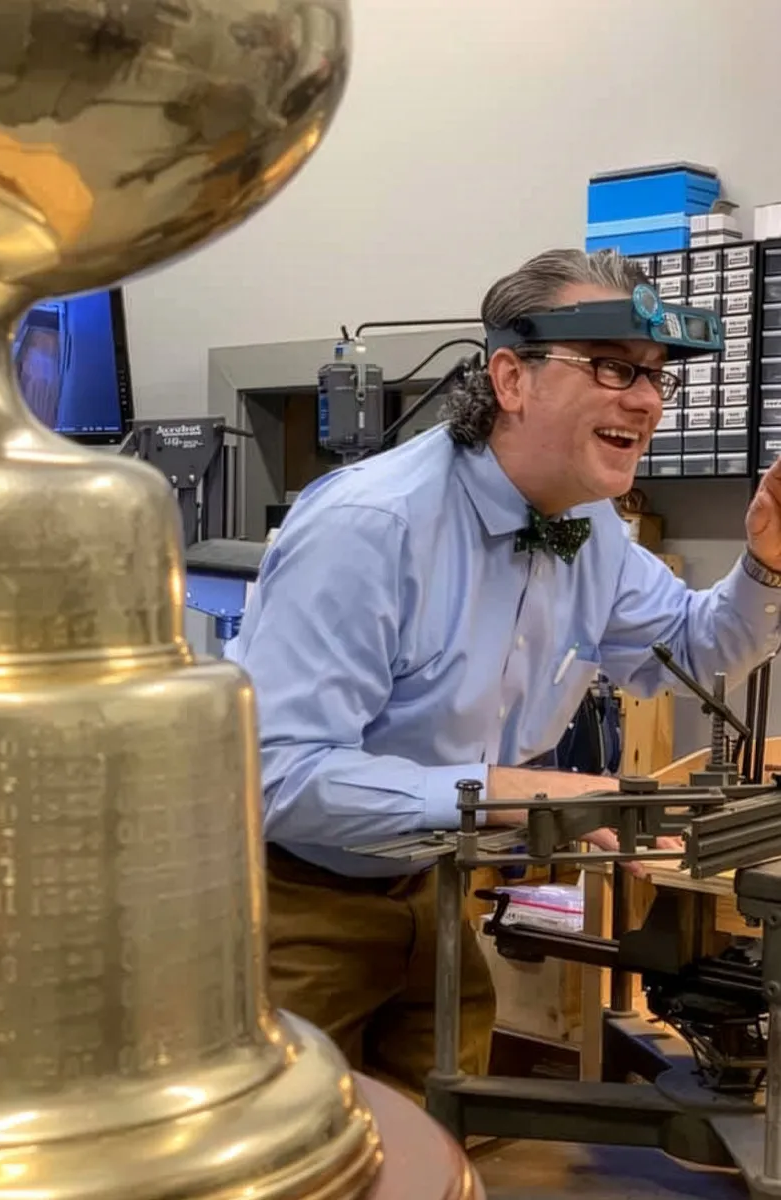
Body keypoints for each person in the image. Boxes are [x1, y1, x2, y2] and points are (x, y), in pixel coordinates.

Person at [226, 247, 781, 1097]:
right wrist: (524, 794)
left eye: (655, 377)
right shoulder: (371, 526)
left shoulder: (590, 526)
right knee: (286, 1153)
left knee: (436, 1140)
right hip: (288, 901)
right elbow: (275, 776)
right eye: (611, 367)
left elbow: (693, 649)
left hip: (436, 886)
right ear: (511, 379)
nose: (645, 399)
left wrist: (766, 565)